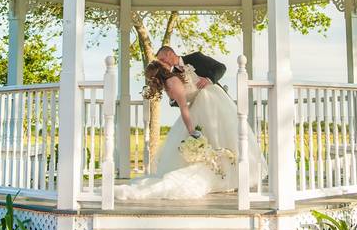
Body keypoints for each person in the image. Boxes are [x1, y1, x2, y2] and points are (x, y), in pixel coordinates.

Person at [114, 47, 266, 201]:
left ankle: (232, 175)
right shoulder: (171, 75)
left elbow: (221, 68)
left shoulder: (195, 57)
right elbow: (178, 100)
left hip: (215, 101)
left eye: (162, 59)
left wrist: (209, 79)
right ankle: (217, 174)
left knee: (225, 135)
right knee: (204, 139)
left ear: (170, 54)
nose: (162, 62)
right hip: (196, 107)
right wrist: (174, 97)